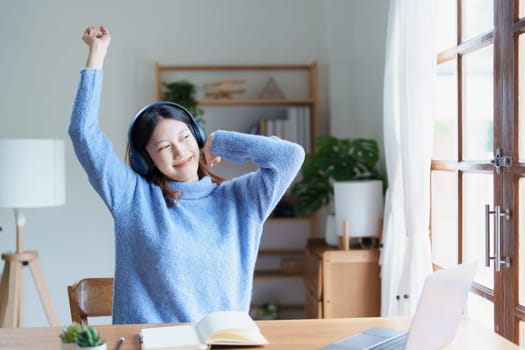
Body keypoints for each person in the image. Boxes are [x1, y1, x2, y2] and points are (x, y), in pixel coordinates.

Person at [69, 25, 305, 324]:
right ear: (148, 159)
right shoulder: (133, 198)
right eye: (164, 146)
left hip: (222, 344)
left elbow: (290, 156)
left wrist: (221, 142)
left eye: (184, 137)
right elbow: (83, 133)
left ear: (197, 135)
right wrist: (97, 55)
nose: (180, 152)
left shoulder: (241, 200)